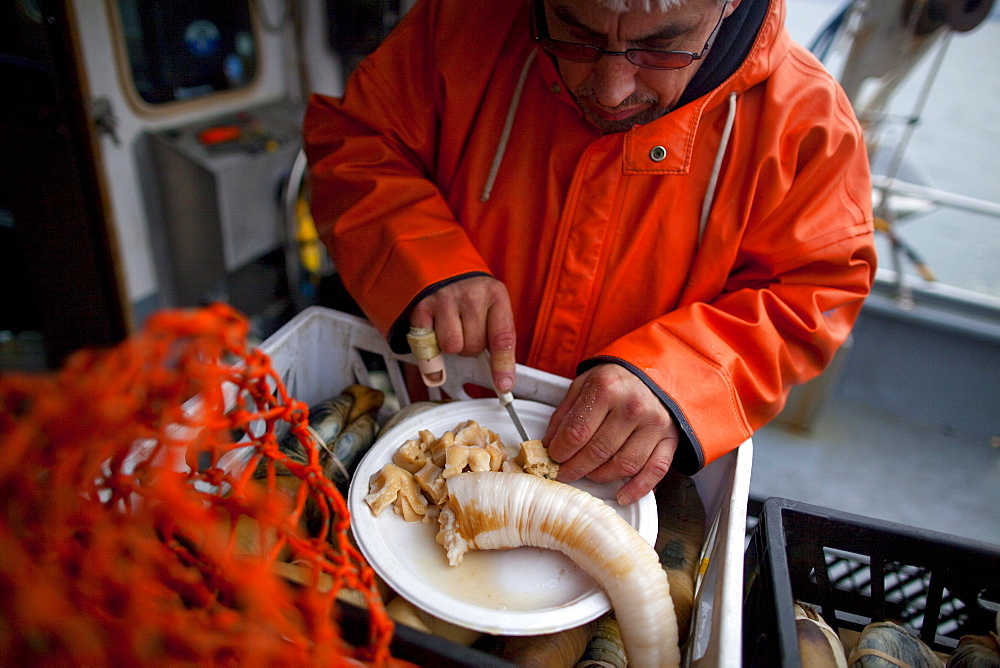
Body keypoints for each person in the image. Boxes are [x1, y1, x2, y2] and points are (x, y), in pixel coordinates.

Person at [303, 0, 876, 505]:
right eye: (575, 33)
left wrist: (679, 380)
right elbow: (357, 146)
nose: (611, 89)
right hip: (425, 422)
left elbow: (813, 294)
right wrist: (426, 262)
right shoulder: (455, 22)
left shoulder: (809, 125)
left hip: (632, 470)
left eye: (661, 47)